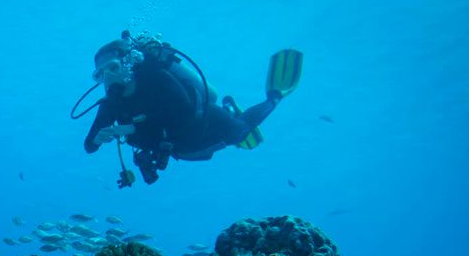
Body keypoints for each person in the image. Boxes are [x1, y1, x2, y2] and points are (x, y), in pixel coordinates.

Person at [81, 32, 303, 185]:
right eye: (100, 75)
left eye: (112, 68)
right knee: (210, 147)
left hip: (203, 121)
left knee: (240, 133)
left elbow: (183, 110)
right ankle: (232, 109)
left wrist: (131, 129)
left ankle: (274, 97)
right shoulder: (112, 103)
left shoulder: (155, 77)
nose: (108, 78)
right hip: (180, 148)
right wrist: (97, 140)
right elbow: (89, 146)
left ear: (128, 63)